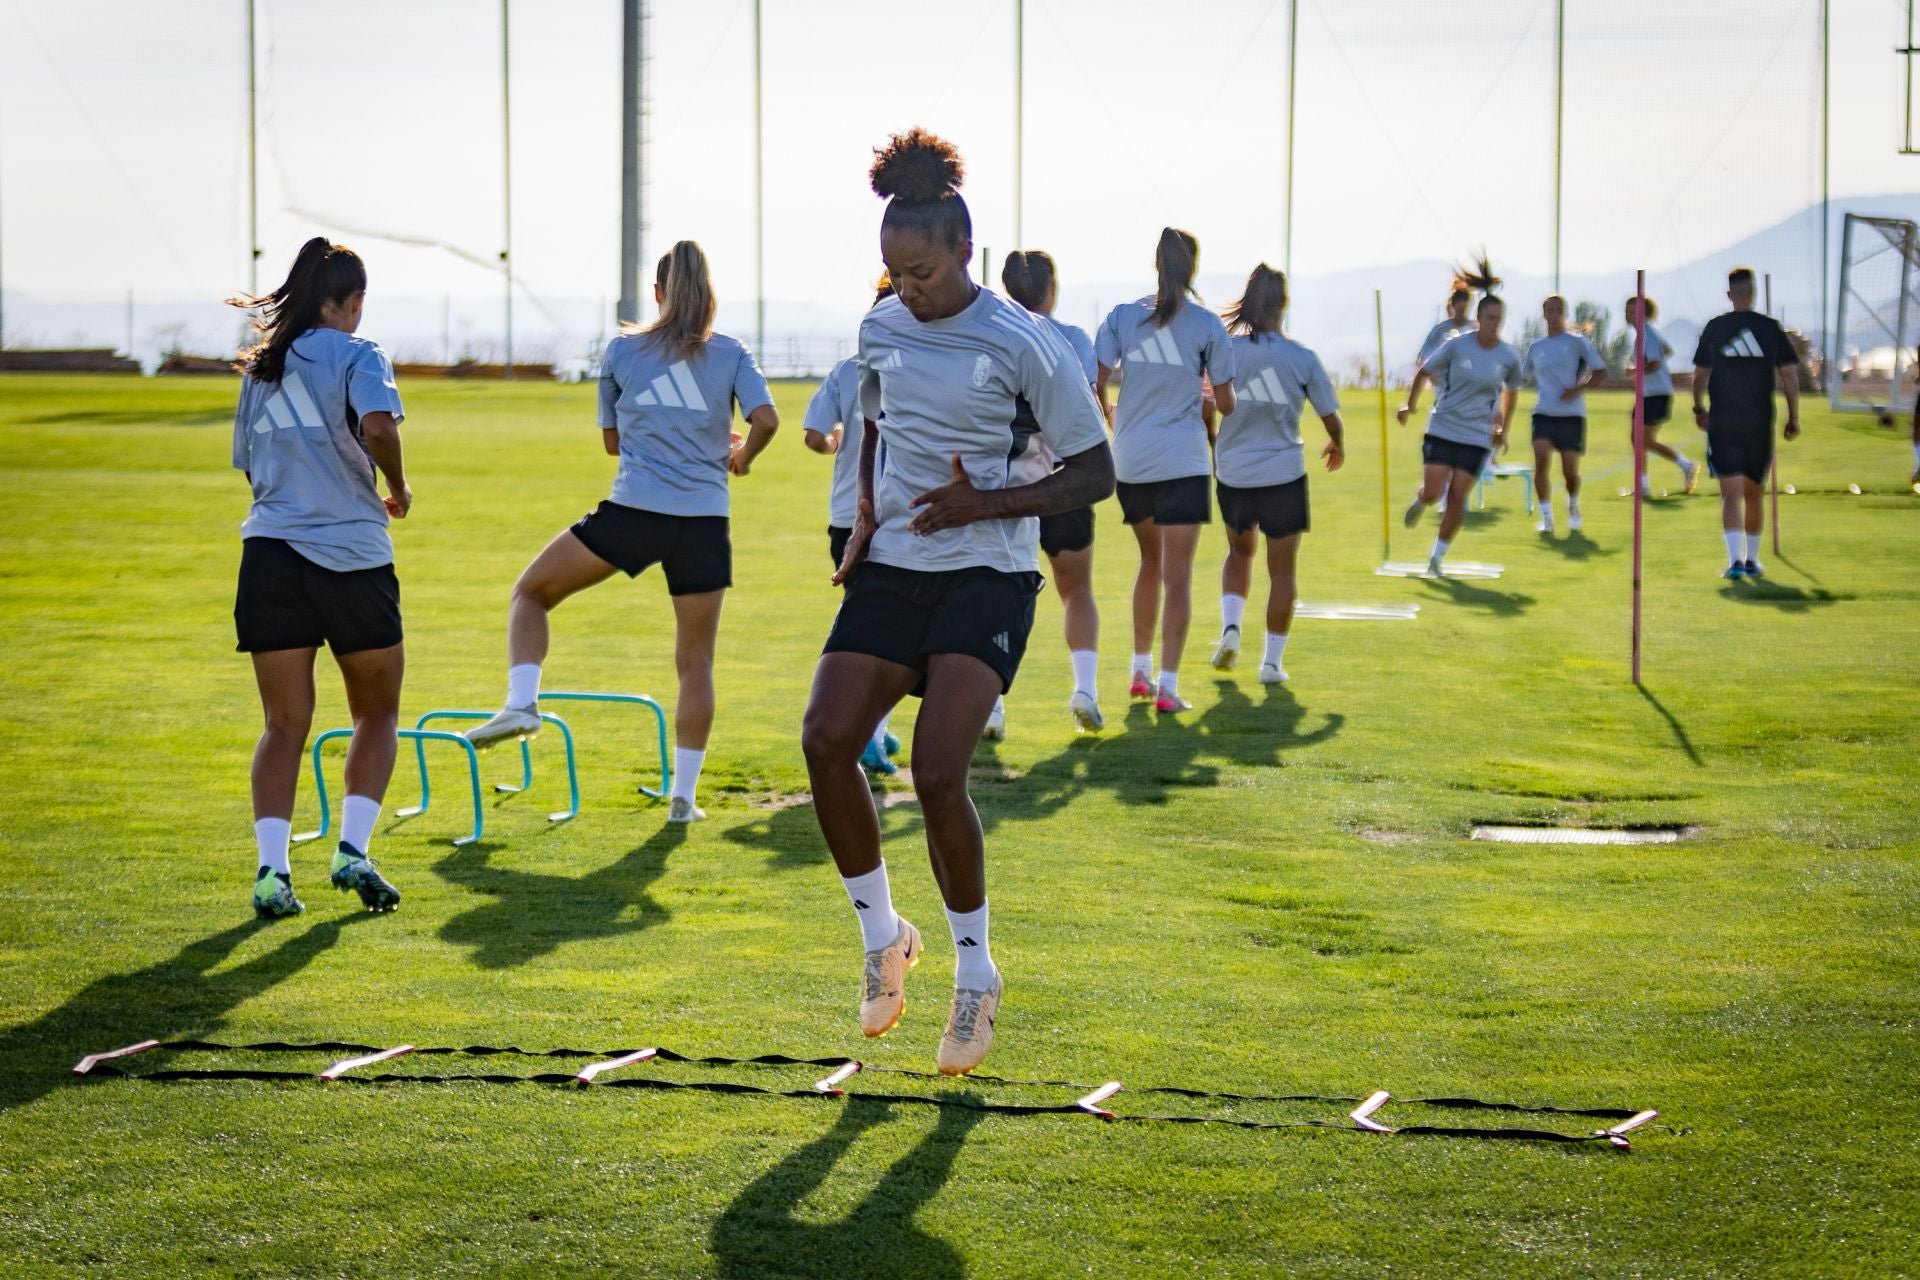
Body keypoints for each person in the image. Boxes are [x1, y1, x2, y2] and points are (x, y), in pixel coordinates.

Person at [799, 128, 1113, 1076]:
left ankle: (976, 974)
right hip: (895, 563)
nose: (908, 289)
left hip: (989, 572)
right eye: (894, 273)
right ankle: (884, 939)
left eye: (924, 272)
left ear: (966, 251)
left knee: (939, 771)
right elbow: (875, 425)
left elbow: (1096, 472)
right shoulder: (881, 327)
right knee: (825, 740)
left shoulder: (1025, 343)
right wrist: (863, 511)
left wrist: (990, 503)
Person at [463, 241, 779, 821]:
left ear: (658, 294)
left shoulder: (622, 350)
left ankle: (522, 704)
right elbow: (767, 420)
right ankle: (683, 798)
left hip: (634, 515)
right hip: (704, 523)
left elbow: (612, 443)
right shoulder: (732, 352)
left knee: (531, 593)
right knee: (696, 664)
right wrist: (740, 456)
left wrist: (667, 435)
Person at [226, 237, 410, 918]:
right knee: (377, 713)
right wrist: (398, 486)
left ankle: (272, 873)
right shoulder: (361, 354)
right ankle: (352, 851)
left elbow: (251, 467)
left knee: (282, 725)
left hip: (269, 555)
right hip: (351, 555)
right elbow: (379, 429)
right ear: (355, 301)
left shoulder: (261, 368)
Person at [1096, 228, 1237, 713]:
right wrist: (1212, 390)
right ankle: (1168, 687)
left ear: (1156, 263)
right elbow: (1226, 404)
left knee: (1149, 563)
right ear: (1193, 267)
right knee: (1178, 576)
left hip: (1131, 459)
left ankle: (1140, 670)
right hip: (1182, 460)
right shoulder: (1207, 325)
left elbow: (1096, 379)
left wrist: (1112, 415)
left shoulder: (1122, 316)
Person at [1210, 264, 1344, 683]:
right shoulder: (1302, 358)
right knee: (1282, 572)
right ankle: (1271, 664)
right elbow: (1330, 417)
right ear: (1284, 304)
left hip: (1234, 474)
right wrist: (1337, 442)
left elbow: (1205, 407)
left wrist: (1214, 445)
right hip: (1283, 475)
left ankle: (1231, 629)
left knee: (1239, 554)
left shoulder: (1226, 352)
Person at [999, 248, 1106, 735]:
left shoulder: (993, 335)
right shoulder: (1071, 338)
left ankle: (991, 705)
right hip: (1064, 478)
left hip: (1005, 482)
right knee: (1076, 589)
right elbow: (1087, 407)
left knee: (997, 593)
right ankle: (1085, 689)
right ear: (1052, 288)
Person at [803, 275, 902, 777]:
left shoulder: (846, 370)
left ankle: (876, 729)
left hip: (845, 516)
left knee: (872, 625)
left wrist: (835, 444)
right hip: (891, 517)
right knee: (885, 633)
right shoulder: (918, 366)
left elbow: (812, 435)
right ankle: (871, 734)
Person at [1399, 293, 1524, 576]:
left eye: (1499, 319)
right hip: (1443, 427)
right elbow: (1424, 372)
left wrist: (1503, 429)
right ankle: (1422, 500)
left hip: (1477, 436)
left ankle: (1436, 558)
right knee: (1433, 492)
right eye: (1490, 318)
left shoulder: (1508, 355)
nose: (1494, 324)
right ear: (1478, 318)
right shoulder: (1456, 345)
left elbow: (1511, 392)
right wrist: (1410, 405)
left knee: (1457, 497)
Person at [1690, 266, 1800, 580]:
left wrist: (1699, 408)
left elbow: (1699, 375)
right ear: (1753, 293)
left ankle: (1735, 561)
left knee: (1730, 494)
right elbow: (1789, 375)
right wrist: (1793, 416)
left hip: (1724, 421)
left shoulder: (1716, 327)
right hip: (1759, 421)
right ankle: (1752, 560)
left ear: (1729, 294)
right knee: (1754, 492)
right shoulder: (1770, 327)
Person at [1522, 295, 1607, 535]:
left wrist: (1578, 390)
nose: (1554, 315)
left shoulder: (1577, 343)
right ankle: (1546, 517)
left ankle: (1573, 505)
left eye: (1558, 310)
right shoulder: (1536, 347)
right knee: (1541, 462)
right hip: (1543, 413)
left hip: (1571, 415)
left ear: (1565, 314)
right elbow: (1522, 377)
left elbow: (1601, 372)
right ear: (1544, 315)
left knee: (1569, 471)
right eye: (1550, 310)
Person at [1623, 294, 1699, 496]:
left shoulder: (1646, 335)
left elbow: (1656, 362)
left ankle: (1686, 465)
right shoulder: (1646, 334)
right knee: (1637, 439)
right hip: (1648, 394)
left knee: (1644, 440)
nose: (1628, 314)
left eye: (1632, 311)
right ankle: (1643, 486)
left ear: (1644, 313)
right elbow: (1666, 350)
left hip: (1656, 394)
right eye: (1627, 311)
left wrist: (1634, 370)